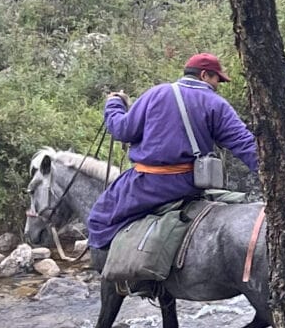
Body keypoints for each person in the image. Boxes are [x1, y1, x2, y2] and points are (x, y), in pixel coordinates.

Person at [87, 52, 261, 256]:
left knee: (100, 219)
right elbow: (244, 144)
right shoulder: (217, 104)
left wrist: (114, 104)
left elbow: (122, 130)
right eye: (217, 79)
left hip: (148, 184)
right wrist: (273, 178)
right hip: (190, 185)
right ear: (204, 75)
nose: (218, 85)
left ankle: (123, 280)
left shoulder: (156, 94)